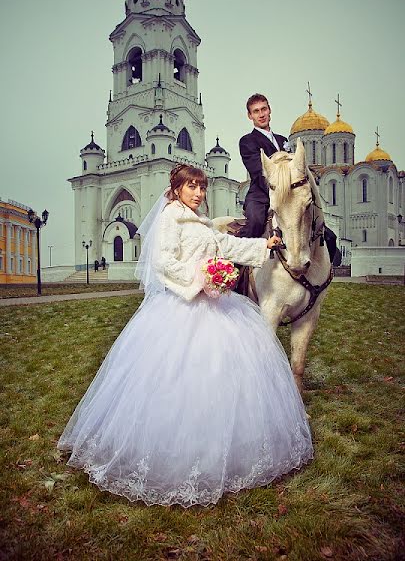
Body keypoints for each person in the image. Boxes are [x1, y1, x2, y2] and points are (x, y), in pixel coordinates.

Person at [58, 164, 312, 507]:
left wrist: (262, 246)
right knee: (180, 379)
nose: (199, 193)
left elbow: (224, 244)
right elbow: (163, 263)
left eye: (202, 187)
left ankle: (230, 448)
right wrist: (200, 278)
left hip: (215, 304)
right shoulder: (170, 219)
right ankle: (175, 453)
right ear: (177, 189)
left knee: (225, 374)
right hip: (183, 306)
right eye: (192, 187)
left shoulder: (200, 222)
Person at [239, 93, 288, 238]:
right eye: (256, 111)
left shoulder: (283, 140)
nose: (261, 114)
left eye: (263, 109)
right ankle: (242, 259)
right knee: (256, 222)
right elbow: (259, 172)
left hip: (289, 193)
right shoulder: (247, 141)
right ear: (250, 116)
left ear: (269, 110)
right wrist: (279, 192)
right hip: (261, 194)